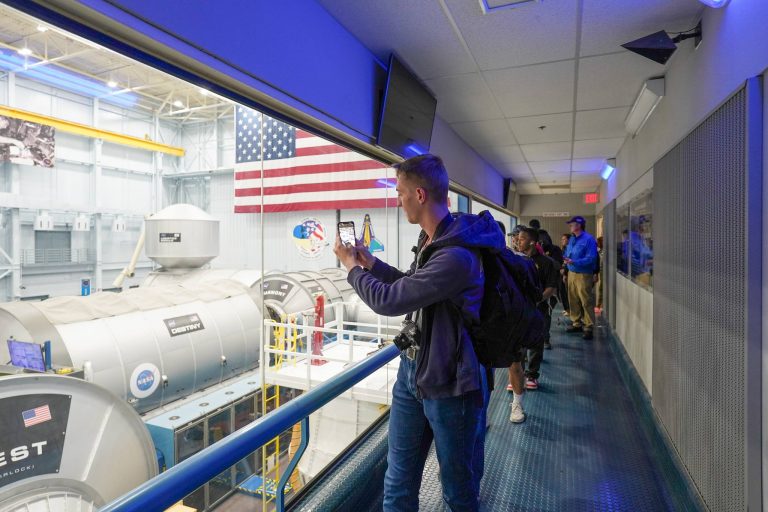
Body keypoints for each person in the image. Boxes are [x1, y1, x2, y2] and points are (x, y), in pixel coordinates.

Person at [334, 154, 497, 511]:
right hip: (415, 373)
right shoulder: (431, 241)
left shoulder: (456, 256)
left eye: (401, 192)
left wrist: (350, 269)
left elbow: (391, 300)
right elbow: (412, 286)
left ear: (420, 195)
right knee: (397, 482)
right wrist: (371, 264)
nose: (398, 199)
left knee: (458, 489)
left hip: (452, 383)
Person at [517, 228, 558, 388]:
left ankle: (532, 375)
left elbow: (551, 287)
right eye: (517, 239)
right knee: (518, 343)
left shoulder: (546, 263)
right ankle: (517, 374)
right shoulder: (516, 260)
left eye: (521, 239)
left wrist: (537, 300)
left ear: (532, 242)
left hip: (539, 308)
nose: (517, 241)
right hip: (519, 309)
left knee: (535, 342)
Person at [563, 216, 599, 340]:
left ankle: (588, 327)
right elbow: (568, 254)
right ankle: (576, 323)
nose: (570, 226)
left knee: (586, 300)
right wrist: (566, 265)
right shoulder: (572, 239)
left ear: (579, 225)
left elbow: (591, 258)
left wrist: (575, 261)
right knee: (573, 299)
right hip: (572, 273)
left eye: (572, 224)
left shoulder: (589, 239)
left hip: (584, 274)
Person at [558, 233, 571, 315]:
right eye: (562, 239)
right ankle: (567, 309)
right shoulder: (563, 249)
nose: (562, 241)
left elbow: (567, 262)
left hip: (568, 272)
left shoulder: (570, 249)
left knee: (568, 292)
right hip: (563, 271)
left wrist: (565, 273)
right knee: (563, 292)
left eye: (564, 239)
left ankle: (570, 310)